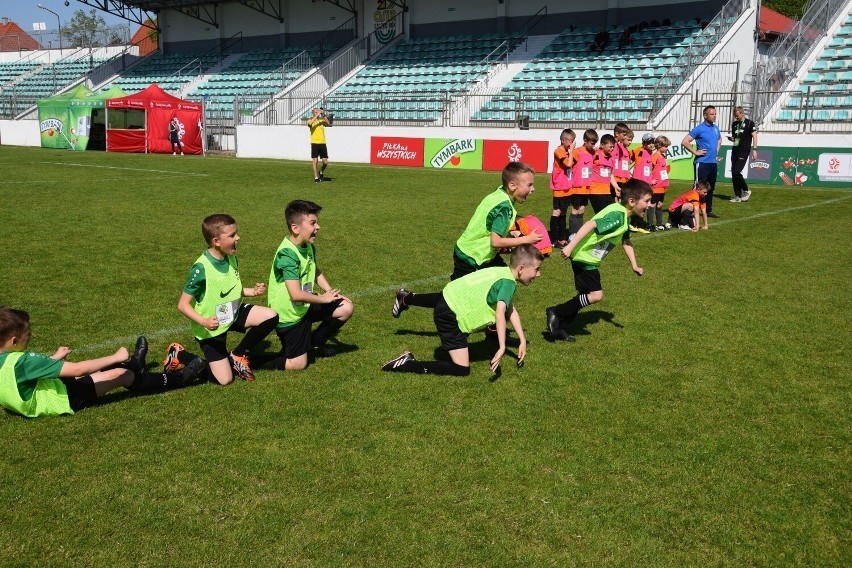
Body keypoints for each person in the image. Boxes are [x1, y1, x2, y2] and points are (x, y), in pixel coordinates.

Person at [392, 162, 541, 317]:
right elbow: (495, 241)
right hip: (470, 257)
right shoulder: (504, 207)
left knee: (506, 278)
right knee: (450, 299)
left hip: (483, 255)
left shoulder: (500, 195)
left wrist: (512, 237)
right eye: (529, 185)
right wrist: (526, 240)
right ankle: (407, 298)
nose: (533, 189)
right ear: (512, 185)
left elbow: (490, 229)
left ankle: (493, 329)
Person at [0, 308, 205, 418]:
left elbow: (20, 377)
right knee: (121, 375)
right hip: (61, 400)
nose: (31, 336)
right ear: (14, 341)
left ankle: (136, 365)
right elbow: (77, 369)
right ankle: (179, 378)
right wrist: (116, 356)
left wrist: (53, 358)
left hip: (45, 391)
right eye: (28, 334)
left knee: (97, 370)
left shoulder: (7, 361)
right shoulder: (22, 361)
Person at [382, 244, 543, 377]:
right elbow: (501, 312)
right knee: (461, 369)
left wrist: (521, 339)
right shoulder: (508, 283)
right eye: (536, 269)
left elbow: (510, 309)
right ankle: (407, 364)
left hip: (448, 297)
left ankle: (407, 298)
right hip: (449, 316)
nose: (539, 274)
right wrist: (501, 347)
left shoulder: (502, 271)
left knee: (460, 355)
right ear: (521, 268)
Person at [175, 214, 279, 384]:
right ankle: (180, 355)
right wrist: (204, 322)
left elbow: (230, 289)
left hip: (232, 314)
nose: (238, 238)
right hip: (211, 328)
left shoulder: (231, 257)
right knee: (225, 380)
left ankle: (238, 355)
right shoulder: (201, 268)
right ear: (216, 241)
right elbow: (183, 305)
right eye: (232, 235)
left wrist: (251, 291)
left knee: (270, 316)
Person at [545, 179, 652, 341]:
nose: (649, 205)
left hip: (586, 257)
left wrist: (634, 265)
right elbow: (591, 224)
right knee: (596, 295)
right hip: (585, 257)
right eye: (646, 201)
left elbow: (626, 241)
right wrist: (570, 246)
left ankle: (560, 324)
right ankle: (556, 312)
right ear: (632, 201)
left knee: (584, 294)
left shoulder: (624, 216)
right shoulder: (618, 215)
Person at [262, 199, 354, 371]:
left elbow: (314, 269)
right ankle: (250, 361)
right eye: (313, 223)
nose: (318, 227)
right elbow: (295, 294)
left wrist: (329, 291)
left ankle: (315, 345)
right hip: (289, 314)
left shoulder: (307, 245)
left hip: (305, 306)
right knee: (298, 364)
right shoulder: (287, 254)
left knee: (345, 307)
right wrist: (324, 300)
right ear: (295, 228)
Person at [682, 105, 722, 217]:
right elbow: (685, 141)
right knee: (698, 186)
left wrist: (715, 153)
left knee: (710, 187)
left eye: (715, 114)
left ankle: (708, 210)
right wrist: (696, 152)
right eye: (712, 114)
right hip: (702, 163)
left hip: (712, 163)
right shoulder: (699, 128)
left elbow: (719, 139)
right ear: (705, 115)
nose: (714, 116)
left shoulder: (715, 128)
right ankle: (690, 208)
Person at [568, 129, 598, 238]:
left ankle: (579, 233)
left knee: (582, 209)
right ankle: (572, 233)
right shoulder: (577, 152)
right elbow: (569, 164)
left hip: (586, 187)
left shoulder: (593, 153)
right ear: (585, 140)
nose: (593, 146)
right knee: (575, 209)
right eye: (592, 143)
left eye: (594, 143)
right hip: (577, 186)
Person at [549, 128, 575, 247]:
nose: (572, 143)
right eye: (571, 140)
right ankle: (554, 239)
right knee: (557, 212)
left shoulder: (567, 151)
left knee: (563, 212)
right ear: (564, 140)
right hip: (559, 186)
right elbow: (569, 164)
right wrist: (572, 150)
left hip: (567, 186)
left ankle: (561, 238)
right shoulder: (559, 151)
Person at [729, 106, 758, 203]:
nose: (736, 118)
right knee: (733, 173)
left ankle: (746, 190)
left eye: (737, 116)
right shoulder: (734, 124)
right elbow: (736, 138)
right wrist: (732, 139)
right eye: (735, 116)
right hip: (735, 150)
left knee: (737, 172)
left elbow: (754, 136)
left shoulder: (750, 123)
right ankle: (737, 196)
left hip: (744, 150)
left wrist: (755, 150)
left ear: (742, 113)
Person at [589, 133, 621, 213]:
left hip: (607, 191)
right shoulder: (595, 154)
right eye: (610, 146)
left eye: (613, 147)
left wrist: (616, 187)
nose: (612, 149)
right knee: (601, 215)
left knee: (608, 214)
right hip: (595, 191)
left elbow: (610, 175)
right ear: (602, 145)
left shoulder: (611, 158)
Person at [647, 135, 672, 231]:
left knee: (660, 204)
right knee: (652, 204)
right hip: (656, 186)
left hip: (663, 185)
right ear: (659, 145)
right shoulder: (655, 156)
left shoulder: (662, 156)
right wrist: (650, 180)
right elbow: (649, 168)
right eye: (665, 146)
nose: (667, 148)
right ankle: (650, 224)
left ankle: (659, 223)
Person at [308, 107, 330, 183]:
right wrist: (317, 115)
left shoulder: (321, 121)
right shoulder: (310, 120)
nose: (317, 113)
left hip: (322, 143)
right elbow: (309, 124)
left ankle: (321, 172)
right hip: (314, 143)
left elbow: (328, 123)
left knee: (325, 162)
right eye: (315, 112)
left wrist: (323, 114)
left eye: (318, 111)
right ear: (313, 113)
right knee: (315, 161)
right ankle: (316, 177)